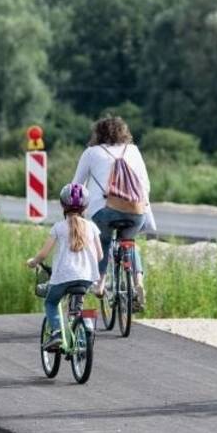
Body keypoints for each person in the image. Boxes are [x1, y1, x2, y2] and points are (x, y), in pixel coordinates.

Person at [72, 116, 155, 310]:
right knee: (130, 243)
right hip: (136, 210)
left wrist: (76, 210)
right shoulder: (133, 150)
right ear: (123, 132)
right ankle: (138, 282)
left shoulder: (91, 153)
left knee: (103, 241)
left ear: (98, 133)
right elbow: (146, 184)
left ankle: (100, 283)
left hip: (104, 210)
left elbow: (77, 185)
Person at [25, 183, 102, 350]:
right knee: (77, 307)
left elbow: (44, 254)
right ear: (86, 206)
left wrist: (33, 262)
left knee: (51, 303)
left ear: (62, 205)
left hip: (63, 277)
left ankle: (58, 333)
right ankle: (80, 328)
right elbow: (100, 255)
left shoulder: (58, 227)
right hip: (87, 278)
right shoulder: (92, 227)